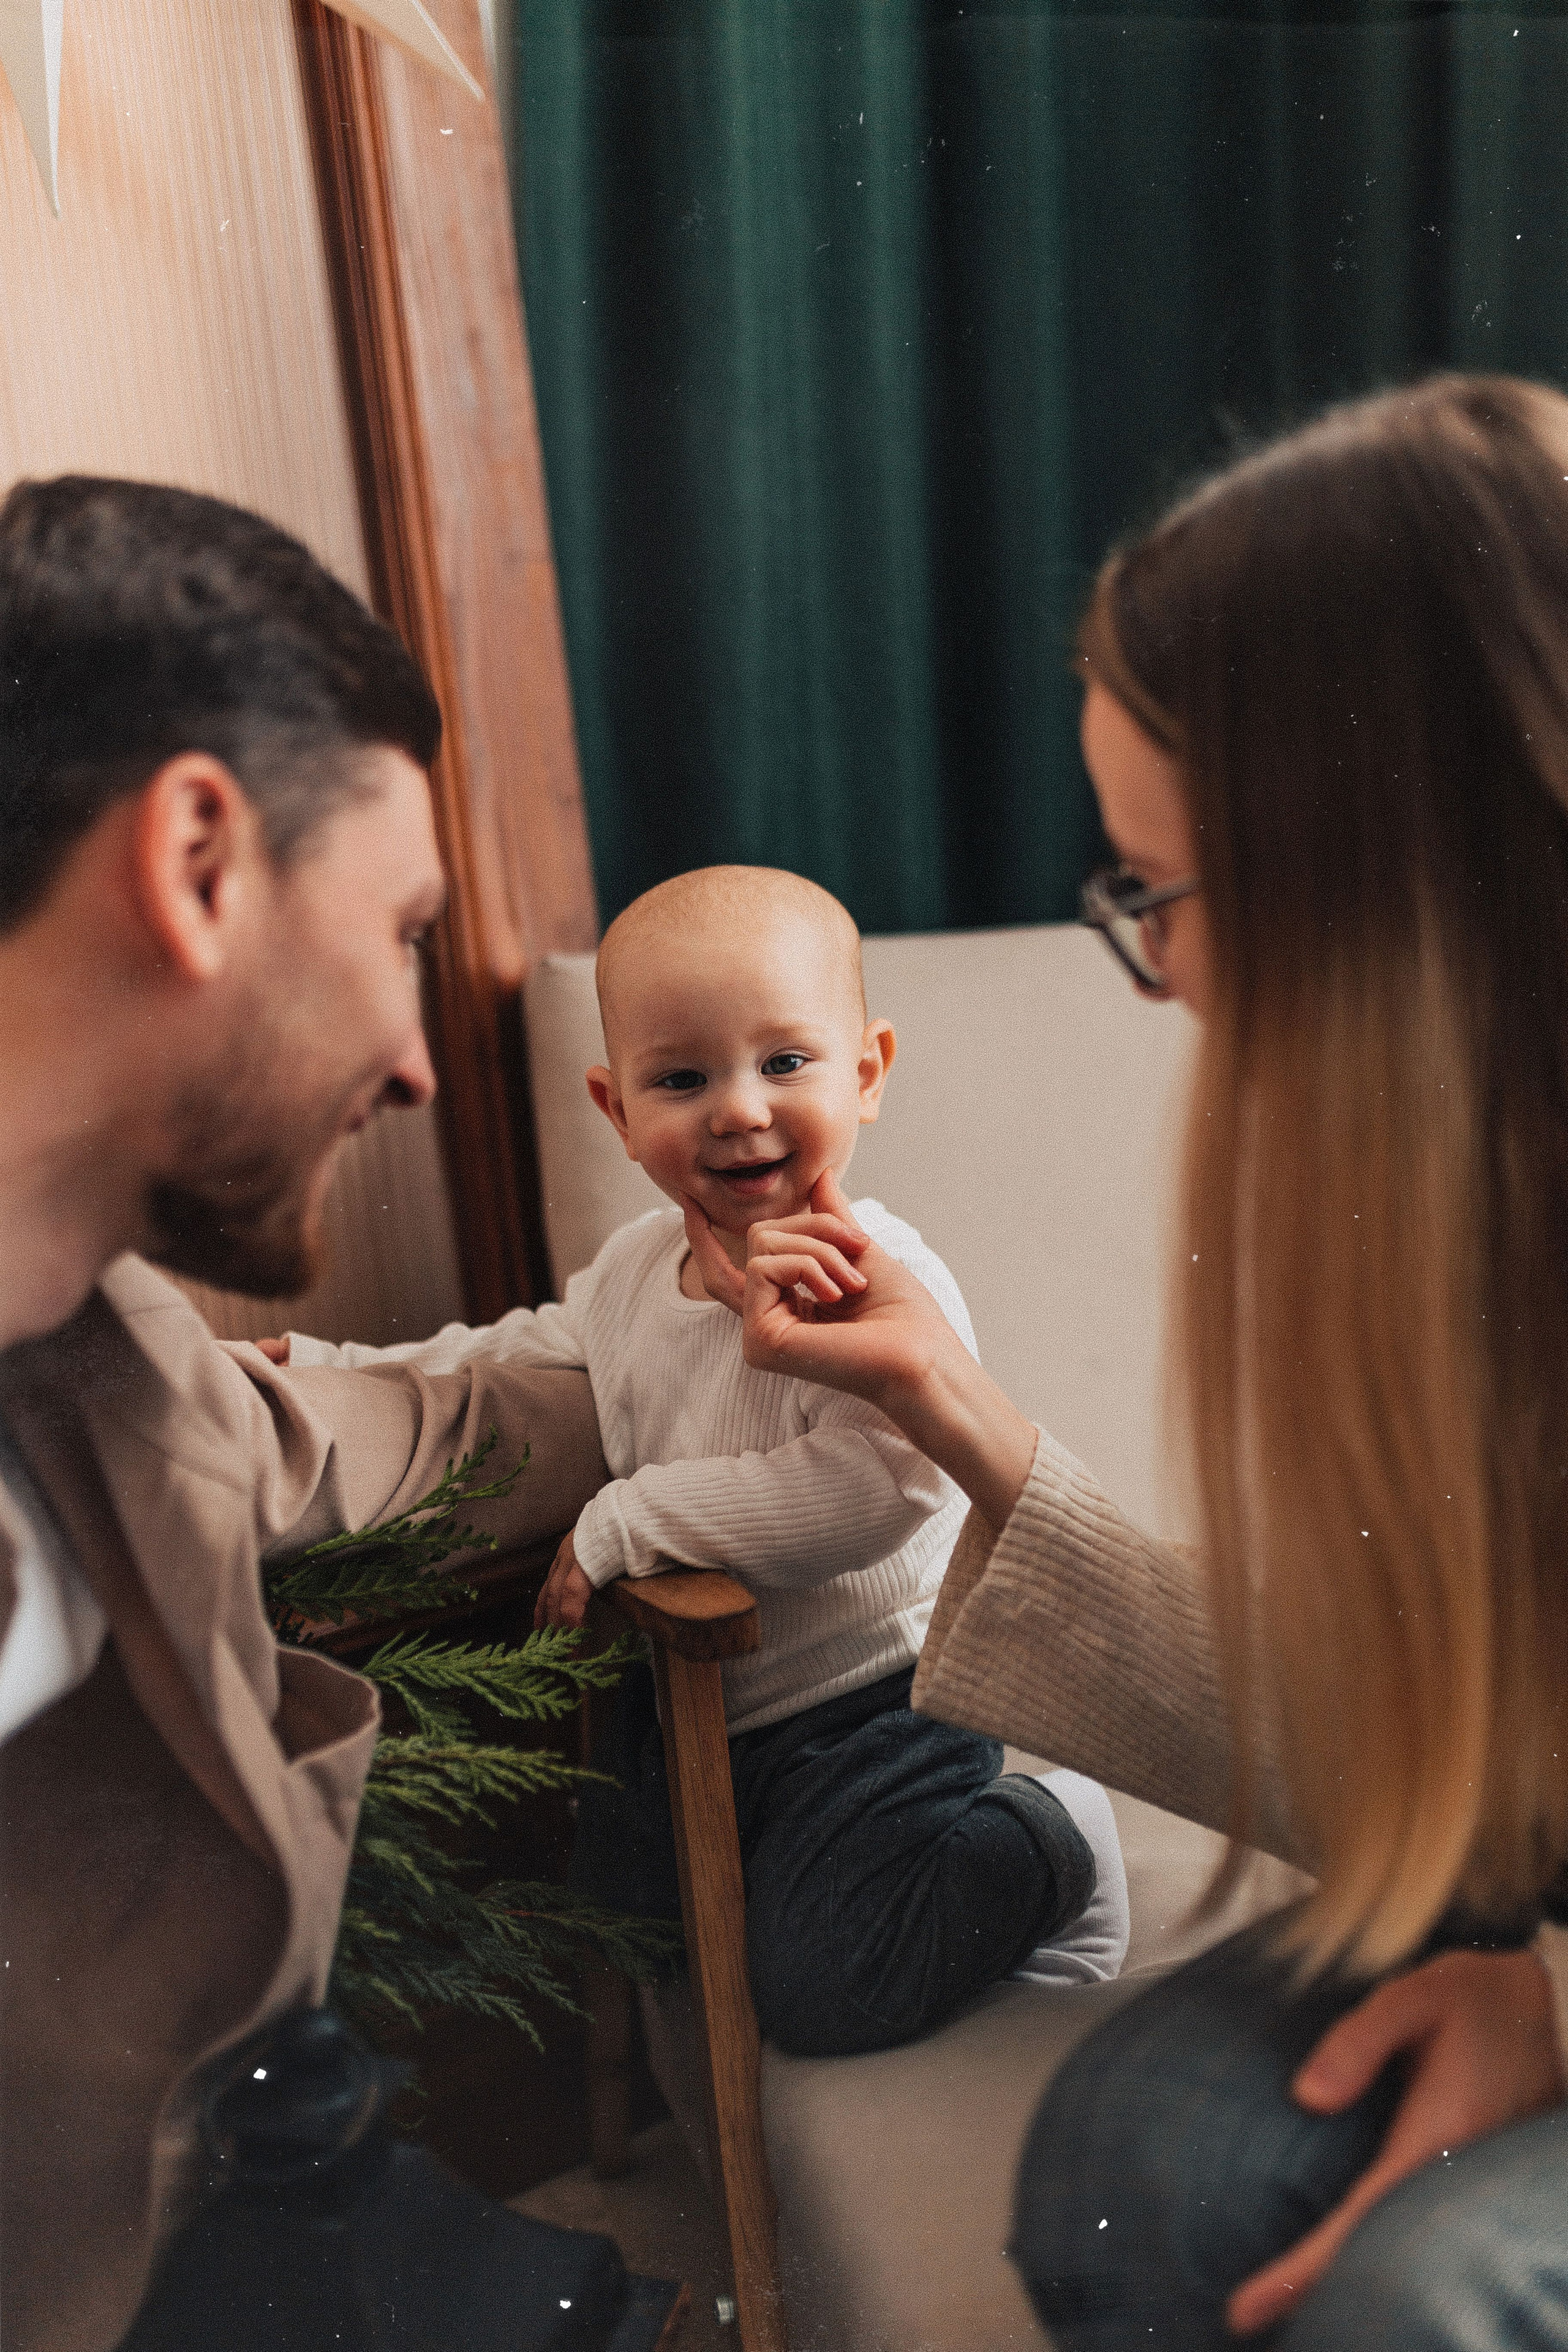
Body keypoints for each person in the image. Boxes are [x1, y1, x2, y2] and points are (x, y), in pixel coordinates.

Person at [682, 375, 1568, 2348]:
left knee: (1424, 2295)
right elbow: (1429, 1766)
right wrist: (965, 1428)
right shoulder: (1458, 1227)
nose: (1157, 970)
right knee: (1131, 2171)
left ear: (1397, 868)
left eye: (1164, 891)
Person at [0, 475, 608, 2352]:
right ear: (200, 858)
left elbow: (356, 1435)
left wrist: (697, 1354)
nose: (427, 1060)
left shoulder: (80, 1329)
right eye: (408, 926)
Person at [263, 864, 1129, 2057]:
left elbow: (879, 1492)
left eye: (784, 1063)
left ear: (865, 1073)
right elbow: (505, 1349)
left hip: (883, 1698)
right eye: (682, 1079)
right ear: (616, 1112)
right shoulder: (629, 1273)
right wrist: (323, 1360)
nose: (735, 1110)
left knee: (819, 1989)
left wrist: (631, 1518)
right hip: (708, 1707)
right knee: (636, 1924)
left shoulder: (873, 1278)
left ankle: (1054, 1836)